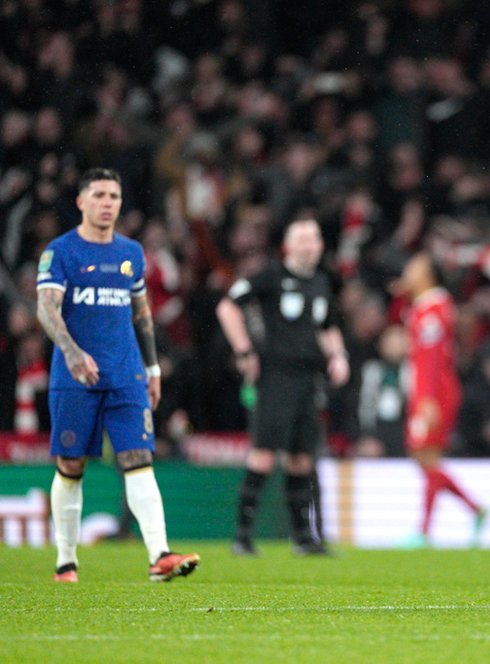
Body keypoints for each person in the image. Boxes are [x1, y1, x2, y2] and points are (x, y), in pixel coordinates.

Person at [36, 168, 199, 582]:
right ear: (81, 202)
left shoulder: (131, 253)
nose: (108, 203)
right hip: (77, 377)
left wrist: (152, 367)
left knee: (138, 459)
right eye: (99, 195)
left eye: (114, 196)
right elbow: (46, 308)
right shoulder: (61, 252)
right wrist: (72, 353)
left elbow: (141, 313)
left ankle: (159, 556)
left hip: (126, 375)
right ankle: (66, 560)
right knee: (71, 465)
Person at [216, 218, 350, 556]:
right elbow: (228, 306)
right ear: (289, 246)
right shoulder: (271, 276)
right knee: (263, 454)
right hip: (276, 378)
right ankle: (242, 537)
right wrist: (244, 349)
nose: (310, 246)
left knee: (302, 459)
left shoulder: (321, 282)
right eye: (302, 239)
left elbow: (327, 326)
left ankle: (303, 538)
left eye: (314, 239)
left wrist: (339, 356)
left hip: (309, 380)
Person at [395, 251, 486, 548]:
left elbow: (433, 358)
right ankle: (475, 510)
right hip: (427, 390)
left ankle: (424, 531)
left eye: (414, 265)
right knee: (424, 458)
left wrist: (428, 398)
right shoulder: (425, 305)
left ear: (427, 274)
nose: (408, 270)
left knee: (428, 456)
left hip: (434, 391)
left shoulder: (433, 307)